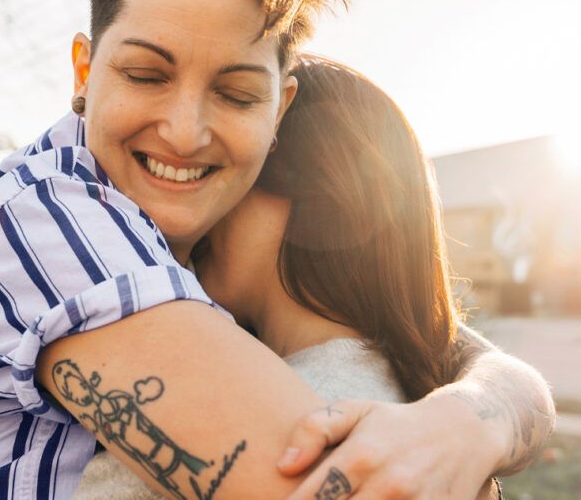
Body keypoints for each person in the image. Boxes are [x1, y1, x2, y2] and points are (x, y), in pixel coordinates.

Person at [0, 0, 554, 499]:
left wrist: (474, 413)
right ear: (83, 69)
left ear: (280, 109)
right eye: (145, 74)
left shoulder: (161, 237)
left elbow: (438, 338)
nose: (185, 132)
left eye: (236, 93)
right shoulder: (55, 218)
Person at [74, 56, 504, 500]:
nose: (197, 213)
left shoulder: (276, 419)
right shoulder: (407, 382)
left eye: (220, 175)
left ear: (319, 198)